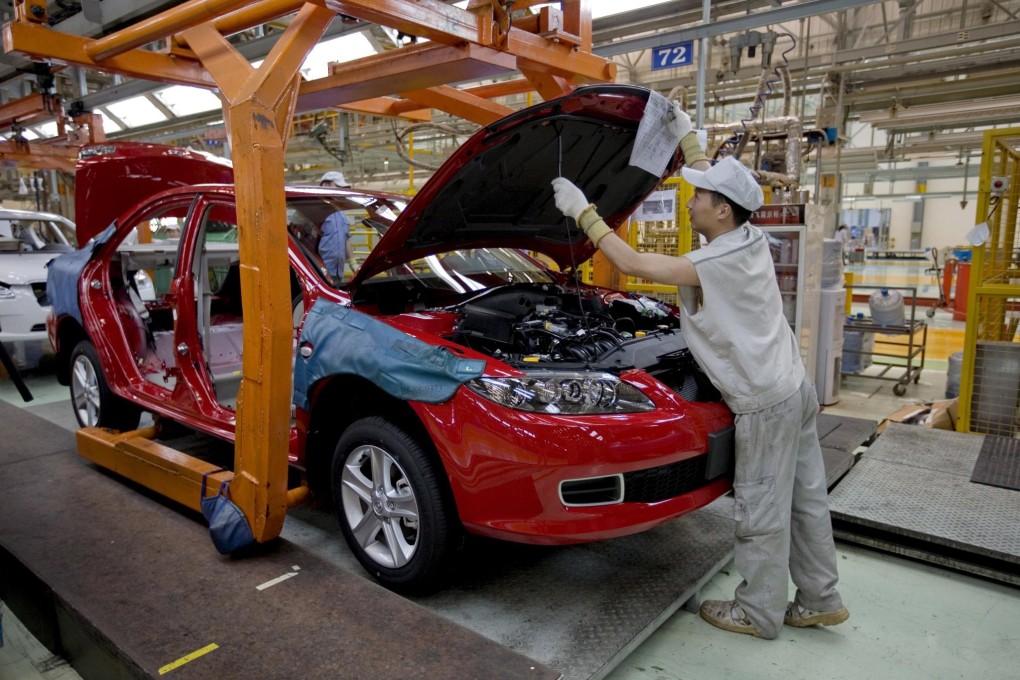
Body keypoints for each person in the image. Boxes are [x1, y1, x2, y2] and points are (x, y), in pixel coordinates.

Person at [550, 114, 848, 640]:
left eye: (699, 198)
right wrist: (689, 140)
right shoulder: (747, 237)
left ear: (722, 209)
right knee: (807, 502)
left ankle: (757, 612)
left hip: (765, 403)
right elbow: (712, 176)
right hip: (794, 388)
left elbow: (633, 262)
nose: (690, 203)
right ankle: (820, 599)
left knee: (761, 507)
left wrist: (583, 212)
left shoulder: (716, 261)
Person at [318, 170, 355, 280]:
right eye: (338, 187)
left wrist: (353, 263)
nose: (341, 191)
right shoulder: (315, 211)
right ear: (325, 186)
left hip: (338, 272)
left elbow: (346, 239)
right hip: (319, 273)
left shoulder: (340, 213)